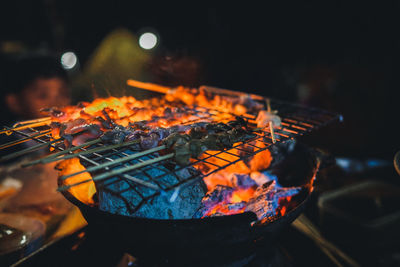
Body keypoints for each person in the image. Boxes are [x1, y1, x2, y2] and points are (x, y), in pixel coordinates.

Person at [0, 54, 71, 161]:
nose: (57, 104)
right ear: (14, 102)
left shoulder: (76, 135)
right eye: (43, 96)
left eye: (63, 93)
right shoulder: (6, 147)